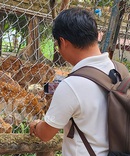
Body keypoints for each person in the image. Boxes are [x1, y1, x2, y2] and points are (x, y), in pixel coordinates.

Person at [29, 7, 111, 156]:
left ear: (63, 41)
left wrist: (36, 126)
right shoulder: (118, 70)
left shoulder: (72, 85)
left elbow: (46, 134)